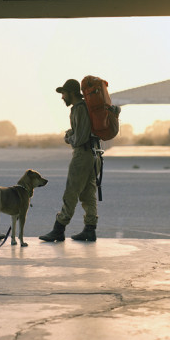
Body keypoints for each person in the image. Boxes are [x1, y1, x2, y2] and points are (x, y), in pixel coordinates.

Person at [39, 79, 100, 242]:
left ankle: (59, 228)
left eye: (64, 93)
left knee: (71, 193)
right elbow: (84, 130)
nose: (62, 97)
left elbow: (79, 138)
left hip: (82, 156)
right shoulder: (86, 107)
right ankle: (90, 229)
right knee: (88, 194)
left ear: (72, 93)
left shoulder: (78, 109)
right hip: (94, 155)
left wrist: (68, 138)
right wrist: (73, 132)